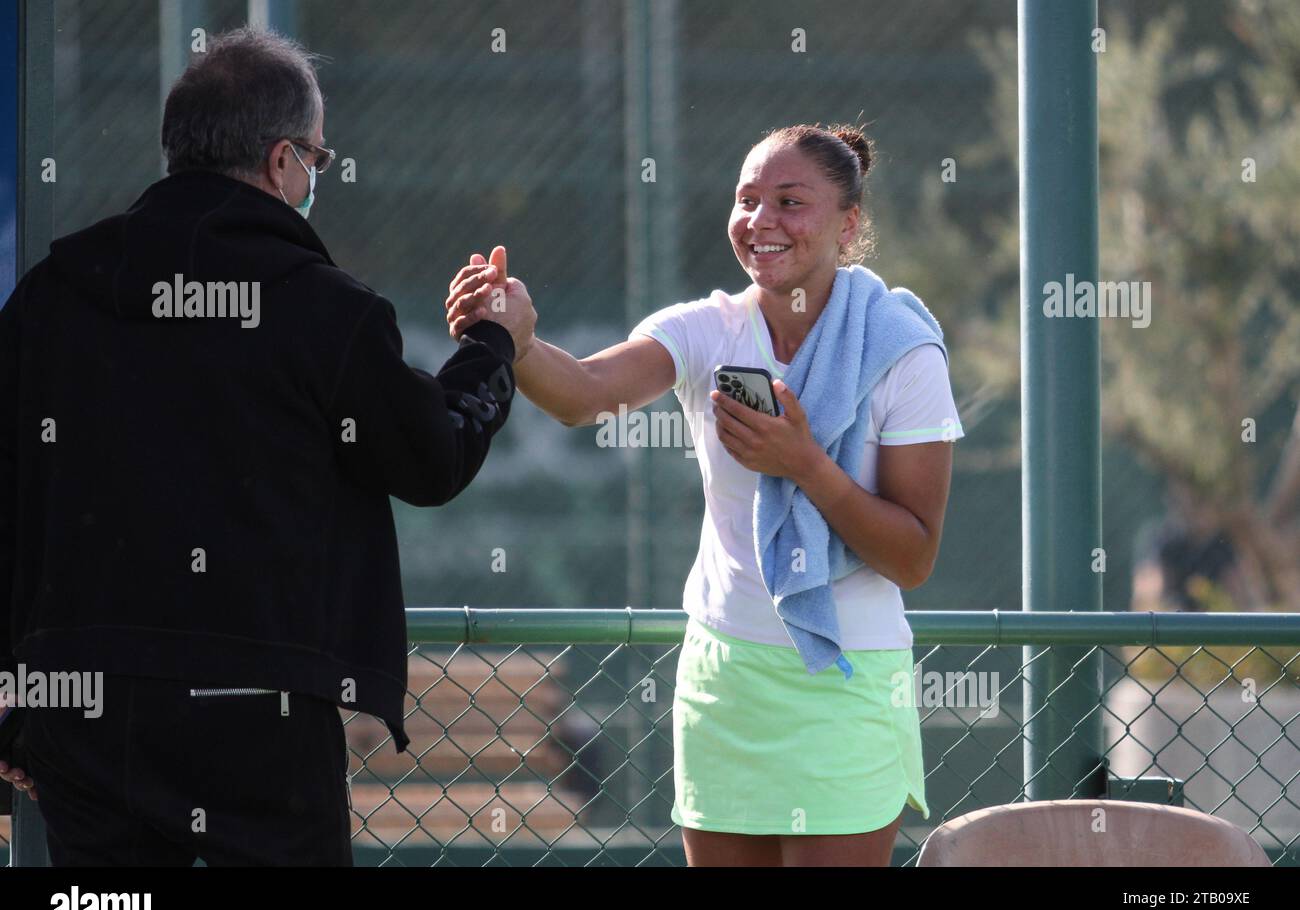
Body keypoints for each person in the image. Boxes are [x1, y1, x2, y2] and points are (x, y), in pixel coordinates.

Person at [0, 27, 531, 865]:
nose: (315, 178)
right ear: (284, 162)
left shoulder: (54, 292)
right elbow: (431, 458)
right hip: (257, 706)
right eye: (317, 158)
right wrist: (493, 346)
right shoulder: (323, 308)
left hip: (81, 702)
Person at [444, 123, 964, 866]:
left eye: (790, 201)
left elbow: (912, 557)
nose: (761, 221)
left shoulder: (903, 350)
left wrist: (806, 463)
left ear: (847, 225)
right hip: (723, 684)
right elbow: (584, 395)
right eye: (748, 199)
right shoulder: (705, 329)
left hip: (848, 683)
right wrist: (517, 340)